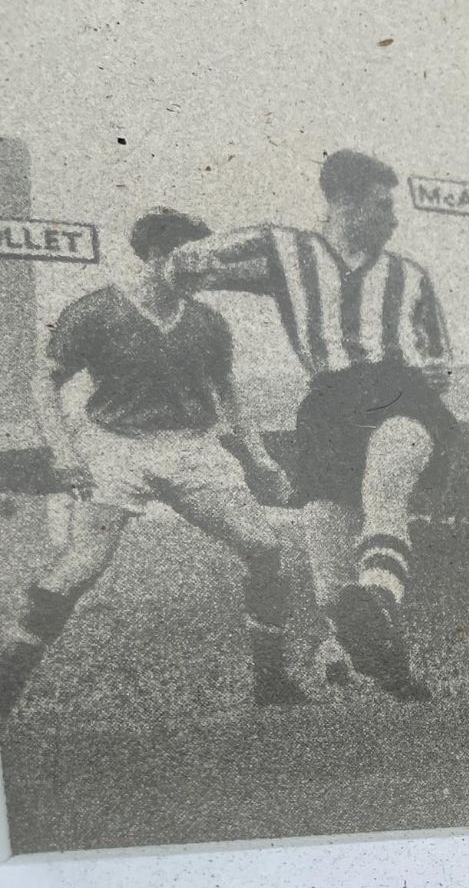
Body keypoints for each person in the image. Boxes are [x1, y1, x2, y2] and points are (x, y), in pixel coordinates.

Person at [166, 149, 454, 700]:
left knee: (384, 487)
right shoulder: (286, 250)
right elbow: (193, 261)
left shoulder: (410, 276)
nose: (394, 219)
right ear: (342, 200)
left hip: (397, 389)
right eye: (382, 205)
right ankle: (388, 668)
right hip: (328, 404)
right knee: (328, 583)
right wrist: (179, 265)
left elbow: (438, 363)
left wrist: (419, 394)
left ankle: (378, 603)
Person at [0, 207, 303, 726]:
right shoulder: (96, 311)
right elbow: (43, 383)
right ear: (159, 256)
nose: (205, 270)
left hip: (188, 447)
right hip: (115, 445)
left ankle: (272, 684)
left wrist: (258, 457)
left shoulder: (206, 322)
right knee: (80, 567)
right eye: (191, 257)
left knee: (265, 547)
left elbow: (228, 395)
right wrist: (65, 451)